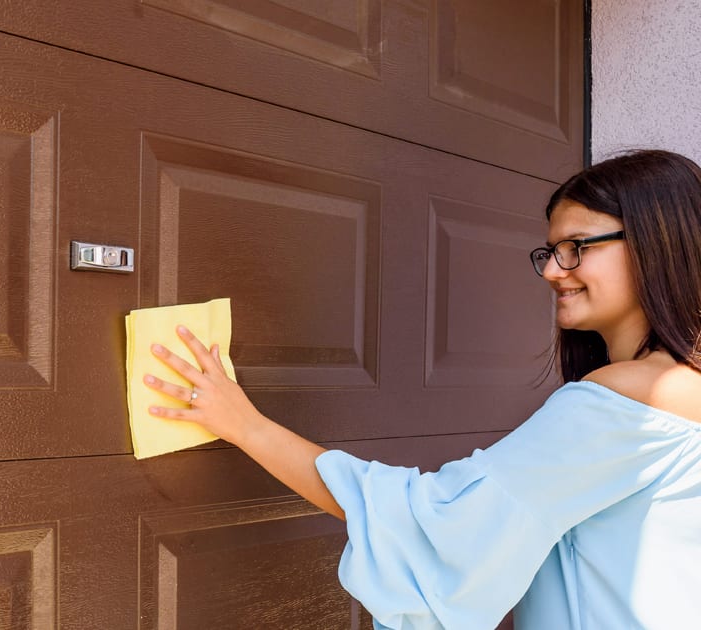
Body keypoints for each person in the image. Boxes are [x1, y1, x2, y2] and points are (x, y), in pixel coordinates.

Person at [142, 149, 701, 629]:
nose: (554, 271)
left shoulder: (628, 401)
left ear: (657, 244)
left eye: (577, 246)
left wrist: (243, 424)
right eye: (550, 251)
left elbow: (431, 522)